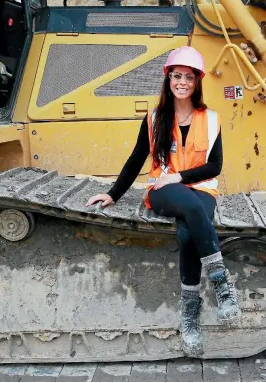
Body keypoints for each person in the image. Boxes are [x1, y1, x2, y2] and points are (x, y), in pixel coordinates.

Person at [87, 46, 240, 357]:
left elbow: (215, 166)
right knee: (194, 211)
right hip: (163, 190)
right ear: (168, 79)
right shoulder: (155, 117)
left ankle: (190, 318)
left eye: (188, 77)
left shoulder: (211, 119)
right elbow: (136, 158)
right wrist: (114, 193)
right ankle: (221, 283)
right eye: (176, 75)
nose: (182, 82)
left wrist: (180, 177)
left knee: (187, 235)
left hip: (200, 188)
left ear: (197, 82)